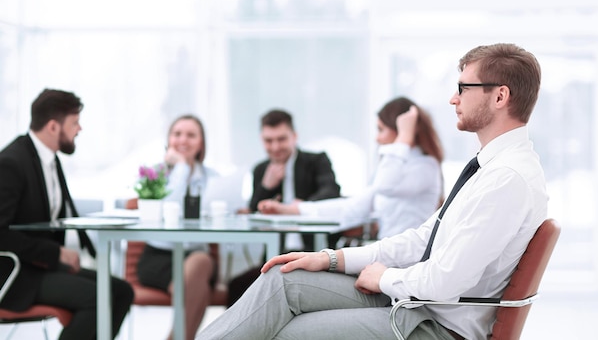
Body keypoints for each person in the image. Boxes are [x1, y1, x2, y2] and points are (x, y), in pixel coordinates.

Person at [196, 43, 548, 340]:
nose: (453, 98)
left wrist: (385, 278)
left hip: (433, 324)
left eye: (464, 88)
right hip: (415, 302)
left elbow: (446, 280)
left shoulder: (507, 179)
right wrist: (333, 259)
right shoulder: (490, 167)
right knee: (282, 280)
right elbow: (422, 238)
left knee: (286, 331)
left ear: (500, 95)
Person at [0, 89, 134, 340]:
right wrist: (56, 253)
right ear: (53, 126)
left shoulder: (49, 159)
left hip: (41, 268)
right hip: (16, 275)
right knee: (97, 298)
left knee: (121, 290)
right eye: (75, 123)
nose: (79, 129)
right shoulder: (11, 163)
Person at [257, 97, 444, 241]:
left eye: (381, 130)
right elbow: (352, 208)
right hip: (388, 259)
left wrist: (404, 137)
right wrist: (290, 210)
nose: (377, 138)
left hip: (406, 267)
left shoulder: (425, 166)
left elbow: (385, 185)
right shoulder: (395, 166)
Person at [227, 109, 341, 306]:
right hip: (275, 257)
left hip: (313, 254)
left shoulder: (316, 161)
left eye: (281, 139)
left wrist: (299, 207)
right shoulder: (261, 170)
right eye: (268, 141)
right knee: (237, 287)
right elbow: (255, 209)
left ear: (294, 137)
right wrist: (266, 186)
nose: (275, 146)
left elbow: (331, 192)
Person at [136, 114, 222, 340]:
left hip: (197, 256)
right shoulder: (154, 174)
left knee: (201, 262)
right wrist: (182, 168)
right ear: (168, 140)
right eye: (177, 134)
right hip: (159, 257)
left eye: (191, 135)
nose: (183, 140)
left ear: (201, 143)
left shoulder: (214, 178)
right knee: (195, 287)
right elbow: (168, 210)